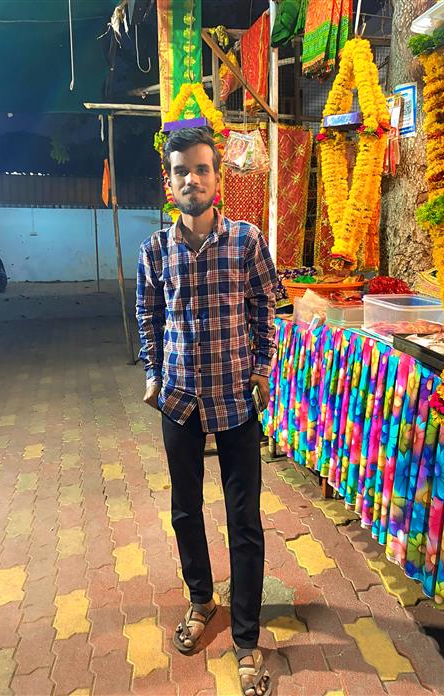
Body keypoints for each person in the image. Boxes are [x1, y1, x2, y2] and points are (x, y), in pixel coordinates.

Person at [136, 127, 276, 696]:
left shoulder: (246, 241)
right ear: (169, 183)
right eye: (181, 171)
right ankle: (201, 601)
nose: (191, 179)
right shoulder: (155, 250)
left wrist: (262, 369)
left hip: (236, 399)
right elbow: (148, 315)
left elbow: (266, 307)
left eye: (201, 169)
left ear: (218, 178)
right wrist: (153, 373)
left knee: (244, 520)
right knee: (185, 510)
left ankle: (247, 636)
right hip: (179, 399)